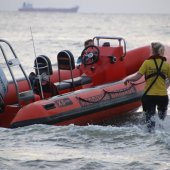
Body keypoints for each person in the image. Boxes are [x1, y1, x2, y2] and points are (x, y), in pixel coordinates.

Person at [124, 42, 170, 131]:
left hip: (149, 96)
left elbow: (137, 77)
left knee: (150, 123)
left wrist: (127, 79)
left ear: (152, 52)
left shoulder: (147, 63)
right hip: (163, 96)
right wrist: (165, 86)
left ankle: (150, 141)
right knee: (161, 121)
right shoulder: (166, 65)